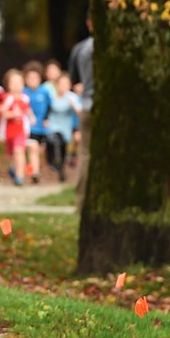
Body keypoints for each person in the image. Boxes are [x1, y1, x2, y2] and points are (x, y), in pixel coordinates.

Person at [68, 20, 94, 210]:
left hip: (86, 105)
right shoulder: (110, 48)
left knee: (85, 155)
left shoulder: (80, 49)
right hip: (104, 107)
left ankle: (81, 202)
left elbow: (74, 81)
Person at [0, 69, 34, 186]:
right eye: (13, 83)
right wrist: (12, 114)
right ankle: (13, 168)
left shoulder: (25, 98)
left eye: (19, 82)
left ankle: (20, 176)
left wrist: (32, 117)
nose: (16, 85)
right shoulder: (7, 98)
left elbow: (28, 110)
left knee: (19, 150)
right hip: (8, 131)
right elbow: (3, 113)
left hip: (21, 130)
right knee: (11, 154)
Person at [45, 73, 82, 181]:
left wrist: (73, 105)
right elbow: (46, 110)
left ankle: (62, 165)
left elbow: (79, 113)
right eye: (61, 83)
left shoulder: (72, 97)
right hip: (53, 126)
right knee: (56, 140)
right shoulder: (51, 96)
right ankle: (54, 162)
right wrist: (45, 120)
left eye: (66, 84)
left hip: (66, 126)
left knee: (62, 146)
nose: (63, 86)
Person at [23, 61, 52, 184]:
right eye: (30, 78)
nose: (33, 80)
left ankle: (34, 168)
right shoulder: (24, 92)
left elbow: (50, 106)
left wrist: (47, 118)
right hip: (30, 128)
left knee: (40, 150)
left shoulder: (45, 92)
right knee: (33, 148)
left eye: (35, 78)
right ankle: (35, 173)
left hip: (43, 128)